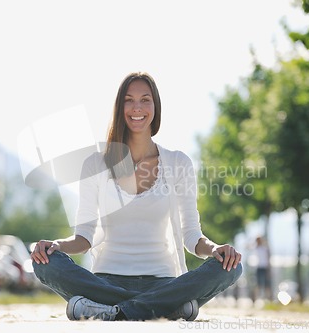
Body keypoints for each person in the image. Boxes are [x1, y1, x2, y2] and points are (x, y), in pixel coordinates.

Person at [31, 72, 243, 321]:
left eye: (145, 99)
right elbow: (84, 237)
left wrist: (216, 249)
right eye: (129, 100)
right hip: (106, 281)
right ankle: (164, 308)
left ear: (156, 107)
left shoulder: (178, 163)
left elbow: (192, 237)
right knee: (44, 261)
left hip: (164, 284)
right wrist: (57, 246)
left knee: (232, 266)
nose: (137, 108)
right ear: (119, 107)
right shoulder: (95, 164)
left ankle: (110, 310)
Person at [253, 236, 271, 301]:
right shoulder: (257, 248)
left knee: (267, 284)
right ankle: (256, 299)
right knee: (258, 284)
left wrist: (269, 269)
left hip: (265, 267)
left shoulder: (265, 248)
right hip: (259, 267)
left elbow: (268, 258)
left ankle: (268, 299)